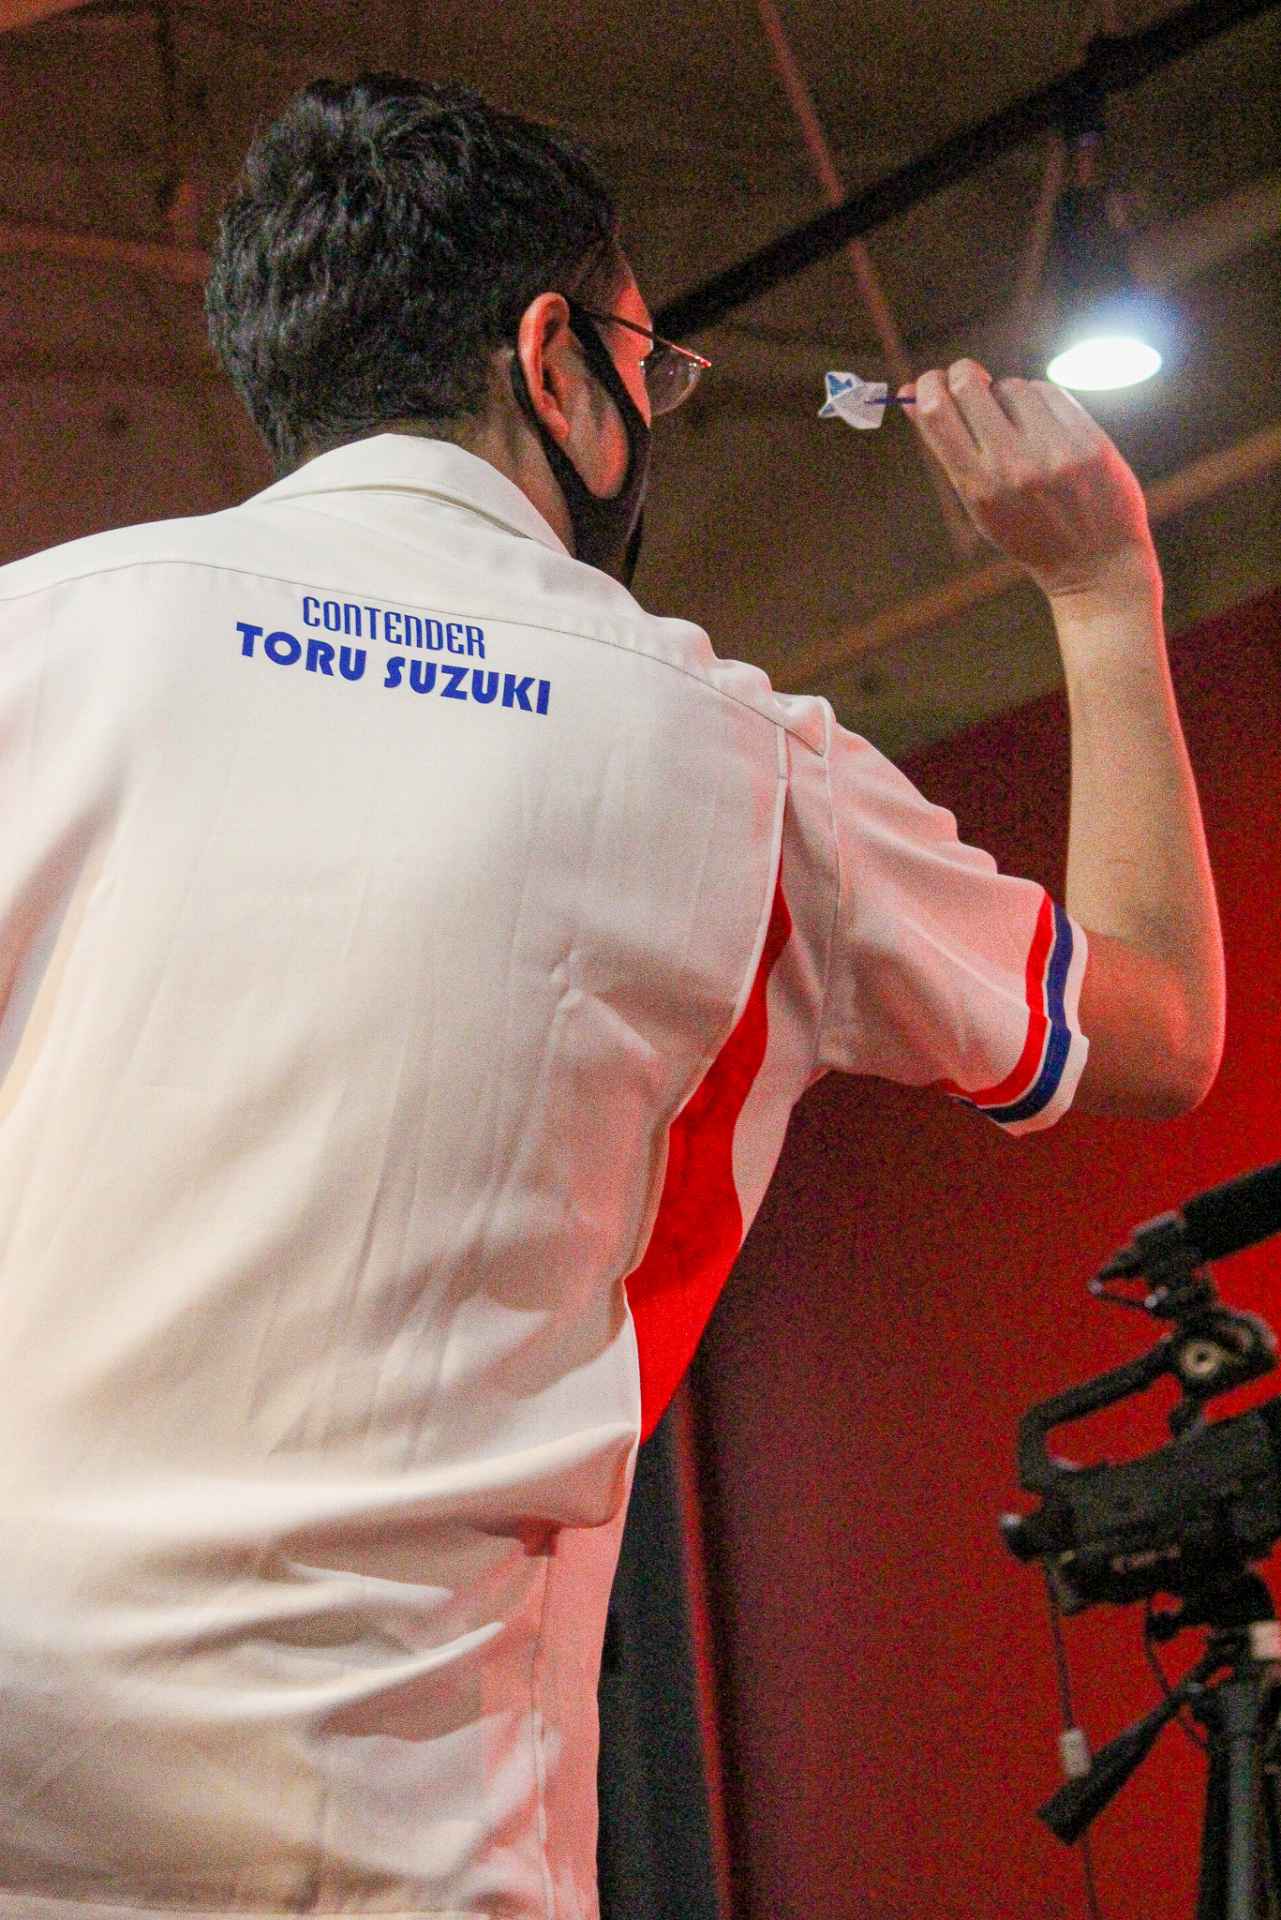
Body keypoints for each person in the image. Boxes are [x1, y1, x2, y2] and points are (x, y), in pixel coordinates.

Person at [0, 69, 1221, 1920]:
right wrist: (1104, 594)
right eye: (655, 368)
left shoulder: (37, 635)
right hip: (395, 1849)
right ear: (554, 361)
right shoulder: (745, 765)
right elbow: (1161, 1031)